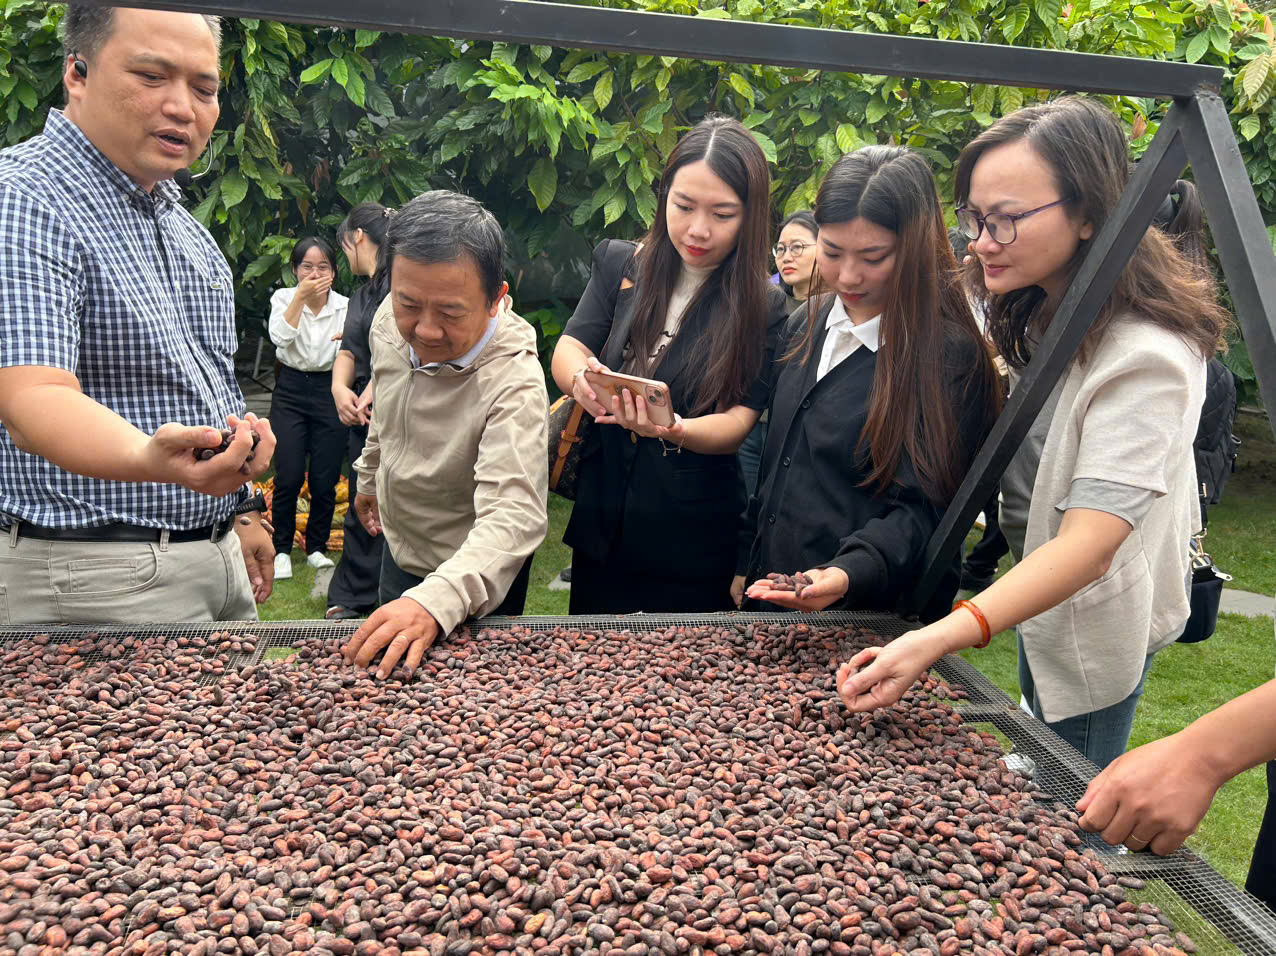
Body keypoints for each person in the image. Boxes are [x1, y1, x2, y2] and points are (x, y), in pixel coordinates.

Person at [836, 97, 1229, 771]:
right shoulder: (1041, 305)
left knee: (1068, 788)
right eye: (974, 218)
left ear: (1088, 214)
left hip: (1094, 618)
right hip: (1033, 589)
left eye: (1006, 220)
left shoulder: (1149, 355)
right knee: (1034, 735)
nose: (981, 242)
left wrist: (941, 636)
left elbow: (1088, 548)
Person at [0, 4, 276, 624]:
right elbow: (31, 399)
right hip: (94, 573)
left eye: (203, 88)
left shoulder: (180, 224)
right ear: (77, 71)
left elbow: (203, 389)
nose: (182, 107)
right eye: (152, 76)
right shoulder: (24, 199)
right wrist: (149, 460)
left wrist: (241, 505)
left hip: (210, 553)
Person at [736, 148, 1000, 622]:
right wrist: (746, 559)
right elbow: (778, 466)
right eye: (832, 252)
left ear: (915, 248)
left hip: (874, 621)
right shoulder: (804, 326)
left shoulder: (948, 357)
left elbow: (927, 511)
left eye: (873, 257)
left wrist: (846, 573)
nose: (848, 276)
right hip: (778, 601)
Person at [550, 115, 790, 614]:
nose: (698, 229)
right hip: (604, 516)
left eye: (722, 214)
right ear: (664, 199)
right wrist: (582, 382)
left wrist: (675, 428)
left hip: (692, 533)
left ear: (750, 216)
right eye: (683, 206)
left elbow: (737, 422)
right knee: (589, 653)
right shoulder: (621, 263)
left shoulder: (762, 306)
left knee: (682, 661)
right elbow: (570, 346)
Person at [341, 190, 548, 679]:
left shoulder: (514, 382)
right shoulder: (389, 321)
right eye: (409, 302)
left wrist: (437, 601)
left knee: (473, 707)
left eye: (451, 313)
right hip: (401, 549)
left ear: (496, 299)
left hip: (477, 576)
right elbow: (387, 404)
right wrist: (370, 477)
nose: (426, 330)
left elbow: (513, 513)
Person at [267, 237, 350, 581]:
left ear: (334, 272)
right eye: (307, 267)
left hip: (330, 388)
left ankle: (316, 547)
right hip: (290, 389)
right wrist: (300, 298)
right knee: (287, 474)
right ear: (295, 270)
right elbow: (279, 338)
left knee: (324, 476)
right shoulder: (283, 298)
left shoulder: (345, 306)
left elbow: (351, 352)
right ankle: (281, 550)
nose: (315, 274)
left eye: (323, 267)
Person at [326, 202, 391, 619]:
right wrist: (339, 389)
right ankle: (355, 595)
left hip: (399, 406)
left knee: (397, 500)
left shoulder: (404, 283)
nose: (346, 255)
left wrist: (375, 388)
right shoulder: (362, 295)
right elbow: (349, 350)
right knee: (361, 499)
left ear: (359, 237)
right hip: (364, 415)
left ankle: (396, 591)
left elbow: (408, 348)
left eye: (345, 245)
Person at [738, 210, 819, 493]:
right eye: (781, 249)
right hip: (750, 425)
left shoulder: (835, 311)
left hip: (797, 434)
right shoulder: (769, 304)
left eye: (797, 247)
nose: (786, 257)